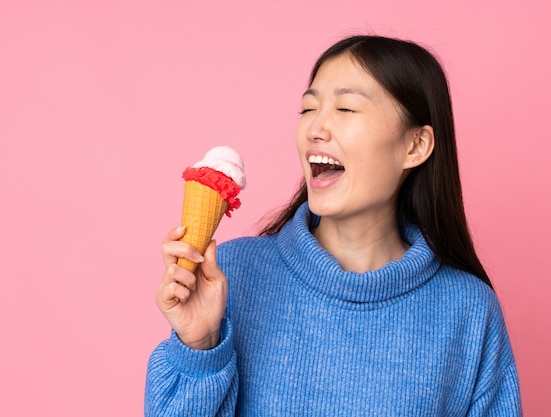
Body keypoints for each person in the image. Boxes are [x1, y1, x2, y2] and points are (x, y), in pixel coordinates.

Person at [145, 35, 523, 416]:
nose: (315, 129)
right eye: (309, 108)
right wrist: (200, 347)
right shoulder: (229, 276)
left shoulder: (468, 310)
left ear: (415, 146)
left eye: (345, 108)